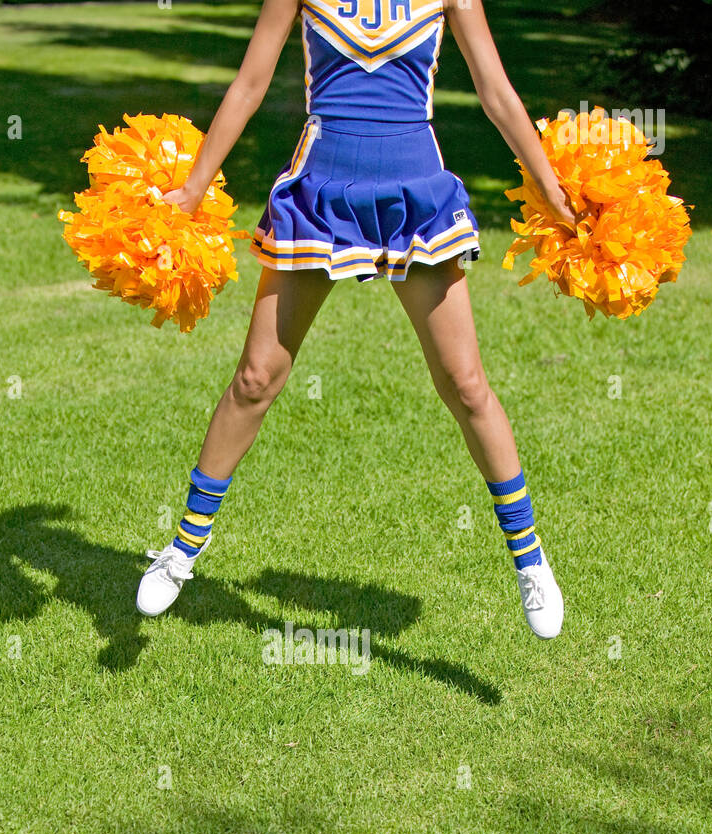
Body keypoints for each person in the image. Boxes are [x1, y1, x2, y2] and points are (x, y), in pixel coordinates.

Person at [136, 0, 576, 638]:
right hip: (318, 195)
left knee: (467, 384)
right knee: (256, 379)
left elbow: (497, 96)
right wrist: (196, 187)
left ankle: (530, 560)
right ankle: (182, 549)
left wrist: (553, 193)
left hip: (415, 196)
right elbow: (250, 84)